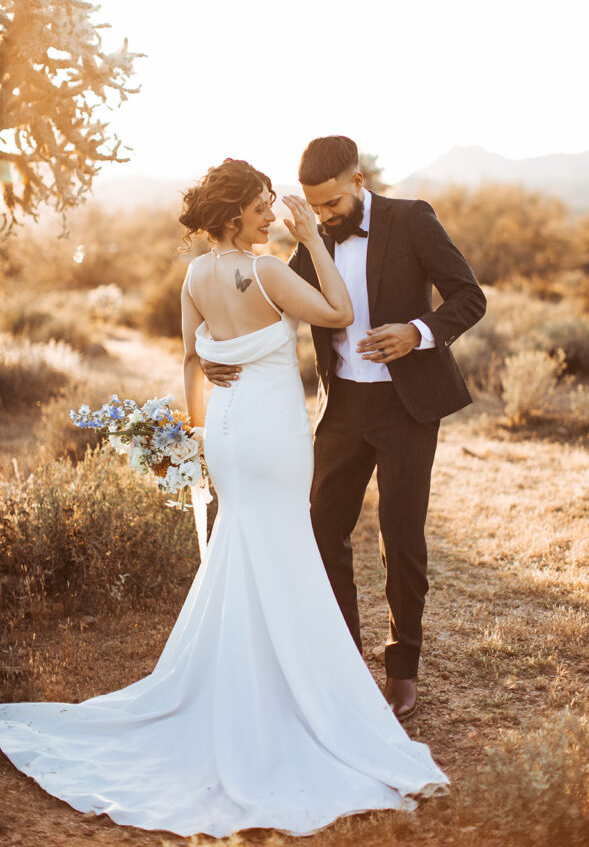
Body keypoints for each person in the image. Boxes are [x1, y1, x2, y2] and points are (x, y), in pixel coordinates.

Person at [0, 159, 448, 839]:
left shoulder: (194, 277)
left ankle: (249, 676)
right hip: (271, 432)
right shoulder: (267, 270)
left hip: (228, 432)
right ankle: (287, 690)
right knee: (283, 543)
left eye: (273, 205)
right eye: (263, 206)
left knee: (247, 544)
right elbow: (340, 312)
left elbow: (190, 360)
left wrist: (200, 437)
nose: (272, 214)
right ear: (235, 213)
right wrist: (314, 245)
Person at [202, 137, 486, 722]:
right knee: (321, 530)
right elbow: (268, 305)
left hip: (408, 406)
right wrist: (209, 351)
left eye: (332, 205)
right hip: (343, 409)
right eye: (314, 207)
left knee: (401, 537)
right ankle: (342, 659)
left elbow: (468, 296)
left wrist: (417, 331)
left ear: (358, 181)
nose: (324, 217)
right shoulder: (312, 240)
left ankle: (402, 667)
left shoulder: (412, 219)